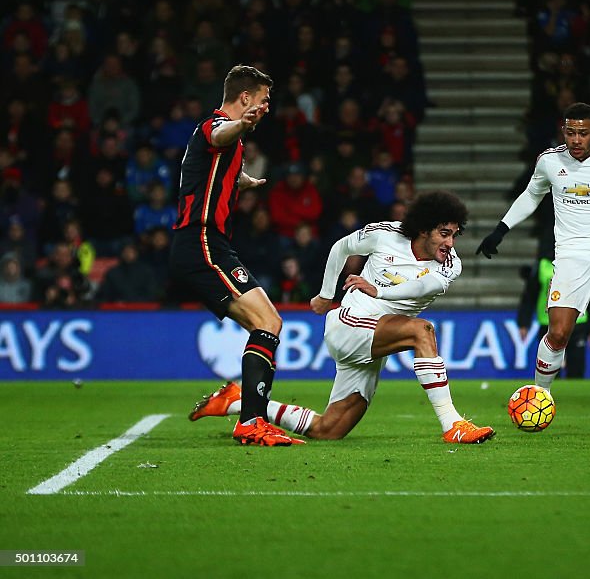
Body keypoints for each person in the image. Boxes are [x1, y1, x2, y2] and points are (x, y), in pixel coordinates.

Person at [190, 191, 494, 444]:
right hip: (350, 323)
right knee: (422, 331)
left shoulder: (451, 265)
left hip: (377, 341)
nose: (450, 243)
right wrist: (326, 294)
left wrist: (378, 291)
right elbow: (342, 247)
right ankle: (452, 424)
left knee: (329, 430)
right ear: (423, 229)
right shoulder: (385, 234)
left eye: (455, 234)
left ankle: (236, 402)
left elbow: (421, 286)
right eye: (444, 234)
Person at [477, 102, 590, 434]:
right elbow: (531, 196)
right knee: (559, 333)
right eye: (570, 132)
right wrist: (501, 230)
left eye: (582, 133)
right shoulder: (550, 161)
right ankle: (539, 395)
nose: (576, 140)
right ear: (563, 131)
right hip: (571, 256)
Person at [169, 65, 300, 447]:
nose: (266, 107)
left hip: (205, 244)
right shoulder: (216, 126)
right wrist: (240, 125)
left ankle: (244, 410)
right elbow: (221, 133)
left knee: (265, 326)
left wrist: (240, 179)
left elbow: (212, 164)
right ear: (245, 98)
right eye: (263, 100)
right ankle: (250, 421)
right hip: (202, 242)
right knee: (268, 321)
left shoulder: (225, 143)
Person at [517, 235, 590, 379]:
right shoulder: (543, 265)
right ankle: (548, 397)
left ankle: (573, 398)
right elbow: (529, 296)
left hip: (578, 323)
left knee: (576, 370)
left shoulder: (583, 264)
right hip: (548, 324)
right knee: (549, 371)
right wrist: (523, 322)